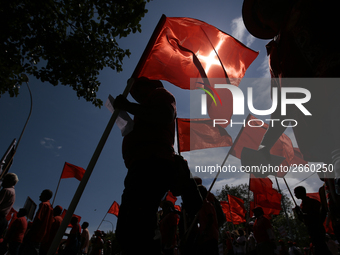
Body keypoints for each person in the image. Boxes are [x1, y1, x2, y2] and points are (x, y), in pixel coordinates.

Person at [242, 0, 340, 242]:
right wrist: (265, 147)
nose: (264, 10)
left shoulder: (312, 10)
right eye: (259, 9)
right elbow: (284, 108)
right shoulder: (278, 55)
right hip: (325, 145)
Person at [113, 77, 177, 255]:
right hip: (144, 165)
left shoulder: (161, 94)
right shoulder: (146, 106)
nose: (135, 95)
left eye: (137, 90)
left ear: (149, 85)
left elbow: (164, 115)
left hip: (151, 164)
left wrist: (128, 106)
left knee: (135, 224)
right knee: (136, 223)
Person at [294, 186, 331, 255]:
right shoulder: (302, 205)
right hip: (311, 229)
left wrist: (303, 214)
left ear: (301, 193)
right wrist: (298, 213)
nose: (295, 195)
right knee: (318, 247)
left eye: (296, 193)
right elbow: (303, 220)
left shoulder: (312, 202)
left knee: (321, 247)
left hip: (317, 228)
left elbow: (316, 215)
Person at [21, 189, 54, 255]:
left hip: (35, 235)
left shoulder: (44, 205)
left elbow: (38, 220)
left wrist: (29, 232)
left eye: (42, 194)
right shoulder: (50, 208)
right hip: (41, 236)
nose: (40, 196)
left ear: (45, 196)